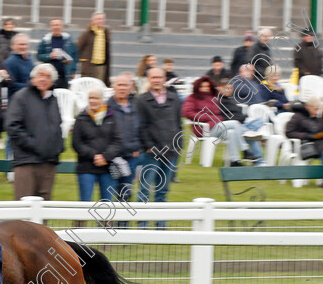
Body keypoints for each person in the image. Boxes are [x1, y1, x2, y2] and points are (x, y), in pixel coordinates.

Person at [5, 63, 64, 200]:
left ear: (52, 81)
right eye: (40, 75)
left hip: (49, 162)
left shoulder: (53, 100)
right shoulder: (21, 97)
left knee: (45, 208)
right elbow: (12, 126)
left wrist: (57, 148)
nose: (43, 79)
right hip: (27, 162)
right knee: (24, 206)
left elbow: (57, 126)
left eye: (48, 76)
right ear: (33, 78)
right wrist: (35, 145)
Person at [135, 67, 181, 227]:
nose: (156, 80)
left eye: (159, 77)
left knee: (163, 190)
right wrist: (148, 146)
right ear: (148, 79)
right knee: (145, 189)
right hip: (151, 153)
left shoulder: (174, 98)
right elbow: (140, 126)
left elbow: (178, 124)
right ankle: (143, 225)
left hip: (170, 152)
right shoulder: (141, 100)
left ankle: (161, 225)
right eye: (153, 77)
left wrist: (178, 146)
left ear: (164, 78)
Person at [182, 76, 259, 167]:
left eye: (207, 86)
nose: (205, 89)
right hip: (203, 128)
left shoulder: (212, 97)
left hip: (216, 126)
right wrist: (207, 117)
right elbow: (187, 112)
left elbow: (219, 112)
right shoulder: (192, 98)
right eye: (202, 86)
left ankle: (234, 161)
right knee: (234, 123)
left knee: (231, 133)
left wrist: (216, 119)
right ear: (197, 87)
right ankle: (245, 151)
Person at [72, 85, 121, 201]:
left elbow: (117, 140)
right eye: (91, 98)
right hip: (86, 167)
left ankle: (105, 220)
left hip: (107, 167)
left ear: (102, 100)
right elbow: (76, 143)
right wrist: (94, 156)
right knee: (85, 203)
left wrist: (105, 157)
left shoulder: (111, 117)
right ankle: (81, 220)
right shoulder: (81, 118)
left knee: (107, 203)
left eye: (96, 98)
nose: (93, 101)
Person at [108, 73, 141, 201]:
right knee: (108, 194)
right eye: (119, 85)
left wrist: (137, 148)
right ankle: (106, 221)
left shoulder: (137, 106)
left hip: (131, 156)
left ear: (130, 88)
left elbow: (142, 127)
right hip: (112, 157)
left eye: (125, 86)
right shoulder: (107, 107)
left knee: (125, 195)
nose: (122, 88)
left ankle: (122, 222)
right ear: (113, 87)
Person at [285, 97, 323, 164]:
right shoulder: (297, 117)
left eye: (318, 109)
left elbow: (319, 128)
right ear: (308, 106)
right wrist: (309, 136)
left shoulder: (316, 117)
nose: (316, 112)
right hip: (306, 143)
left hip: (319, 141)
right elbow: (289, 132)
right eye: (315, 109)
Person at [36, 18, 78, 90]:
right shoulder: (46, 40)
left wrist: (73, 71)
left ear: (62, 27)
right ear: (50, 27)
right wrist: (49, 56)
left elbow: (74, 56)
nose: (56, 27)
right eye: (54, 25)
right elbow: (39, 56)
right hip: (49, 76)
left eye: (58, 25)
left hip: (64, 75)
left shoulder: (68, 40)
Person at [77, 12, 111, 86]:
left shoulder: (106, 33)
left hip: (101, 66)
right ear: (93, 21)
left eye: (101, 19)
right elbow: (78, 47)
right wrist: (83, 60)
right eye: (97, 19)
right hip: (89, 66)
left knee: (99, 87)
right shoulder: (87, 33)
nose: (100, 21)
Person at [4, 33, 34, 100]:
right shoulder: (10, 62)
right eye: (20, 44)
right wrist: (31, 86)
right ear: (12, 46)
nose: (23, 47)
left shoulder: (30, 59)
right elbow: (12, 85)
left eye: (25, 44)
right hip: (17, 100)